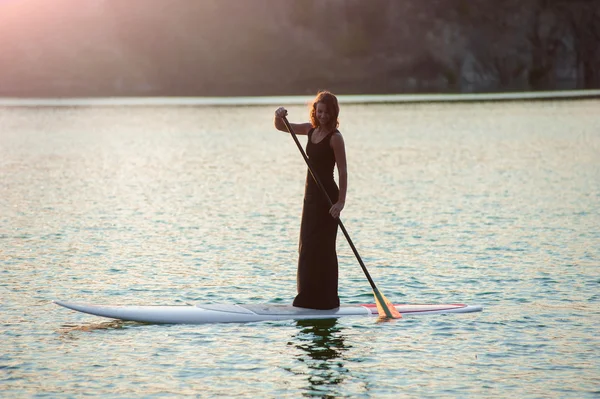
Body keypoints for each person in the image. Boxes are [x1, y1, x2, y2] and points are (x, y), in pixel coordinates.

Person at [273, 91, 347, 310]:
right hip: (311, 197)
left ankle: (327, 302)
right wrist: (279, 115)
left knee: (323, 249)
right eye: (319, 111)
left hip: (328, 199)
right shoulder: (308, 130)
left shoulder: (335, 138)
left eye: (327, 112)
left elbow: (343, 171)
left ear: (333, 113)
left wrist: (340, 202)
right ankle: (307, 299)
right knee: (307, 248)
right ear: (315, 111)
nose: (322, 115)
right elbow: (281, 126)